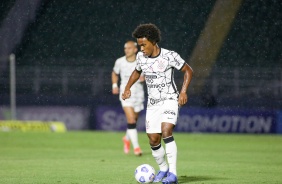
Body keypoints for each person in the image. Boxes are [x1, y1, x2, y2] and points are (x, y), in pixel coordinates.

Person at [122, 24, 193, 184]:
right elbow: (137, 71)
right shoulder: (141, 58)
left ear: (153, 41)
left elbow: (188, 70)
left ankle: (173, 175)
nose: (141, 49)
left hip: (170, 100)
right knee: (153, 139)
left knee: (166, 130)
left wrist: (183, 91)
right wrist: (127, 87)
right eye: (139, 45)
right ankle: (163, 169)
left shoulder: (169, 56)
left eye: (143, 45)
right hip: (153, 104)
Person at [112, 41, 145, 156]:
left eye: (129, 48)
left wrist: (144, 78)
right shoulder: (120, 61)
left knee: (134, 121)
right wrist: (114, 85)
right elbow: (115, 73)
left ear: (135, 50)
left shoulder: (141, 61)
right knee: (131, 120)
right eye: (125, 48)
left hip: (138, 94)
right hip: (126, 94)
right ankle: (136, 148)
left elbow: (147, 74)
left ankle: (126, 138)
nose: (127, 50)